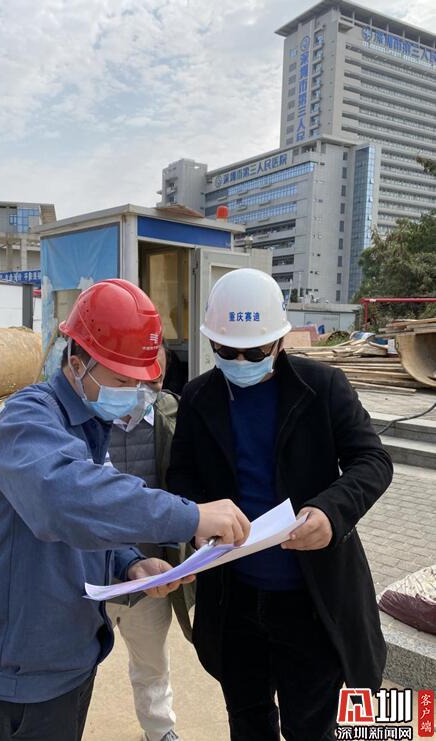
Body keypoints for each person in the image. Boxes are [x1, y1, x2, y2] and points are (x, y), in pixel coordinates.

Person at [0, 278, 250, 741]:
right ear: (77, 364)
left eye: (141, 382)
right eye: (121, 380)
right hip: (27, 667)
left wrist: (130, 563)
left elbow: (91, 523)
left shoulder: (89, 424)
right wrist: (192, 516)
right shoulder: (26, 419)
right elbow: (66, 500)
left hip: (72, 650)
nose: (134, 394)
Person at [167, 268, 393, 741]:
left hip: (309, 598)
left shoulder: (322, 387)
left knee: (310, 725)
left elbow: (372, 460)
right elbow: (182, 476)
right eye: (226, 351)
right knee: (248, 720)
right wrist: (198, 520)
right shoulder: (198, 396)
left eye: (254, 352)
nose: (240, 361)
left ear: (281, 341)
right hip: (233, 596)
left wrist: (331, 511)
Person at [106, 345, 192, 741]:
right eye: (137, 378)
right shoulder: (84, 421)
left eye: (156, 380)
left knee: (152, 662)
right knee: (74, 665)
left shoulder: (173, 416)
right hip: (91, 570)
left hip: (151, 574)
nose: (146, 389)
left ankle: (160, 731)